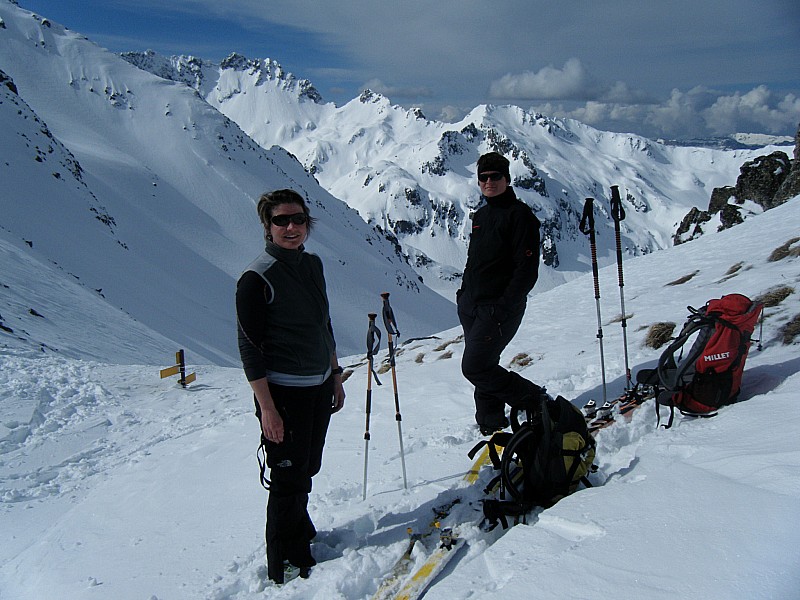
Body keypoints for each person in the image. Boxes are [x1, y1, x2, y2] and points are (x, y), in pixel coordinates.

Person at [236, 189, 346, 584]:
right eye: (281, 220)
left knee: (307, 466)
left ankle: (300, 529)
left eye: (298, 219)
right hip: (283, 394)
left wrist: (335, 375)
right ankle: (285, 561)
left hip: (317, 386)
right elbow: (250, 351)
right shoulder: (257, 278)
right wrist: (267, 408)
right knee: (287, 477)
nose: (291, 227)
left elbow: (323, 323)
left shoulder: (312, 265)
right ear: (267, 227)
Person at [457, 152, 547, 435]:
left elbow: (526, 269)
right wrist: (463, 295)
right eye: (483, 177)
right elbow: (474, 259)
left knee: (475, 367)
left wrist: (505, 306)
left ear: (507, 179)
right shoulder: (481, 216)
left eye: (495, 176)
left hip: (497, 308)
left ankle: (536, 401)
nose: (489, 182)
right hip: (472, 305)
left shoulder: (520, 217)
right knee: (485, 364)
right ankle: (491, 423)